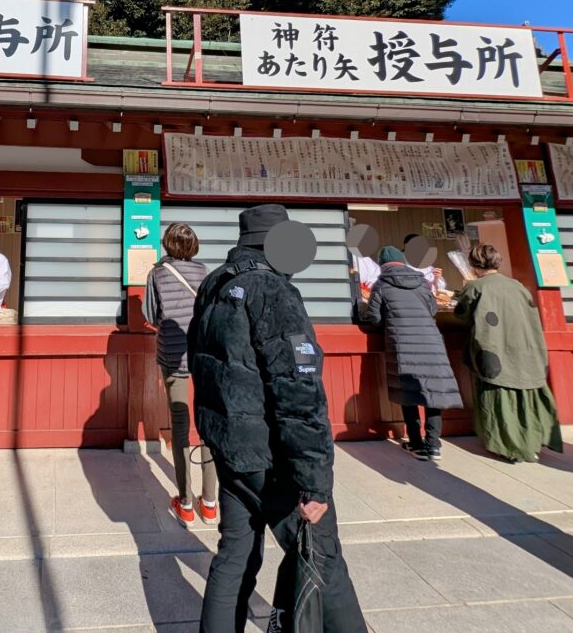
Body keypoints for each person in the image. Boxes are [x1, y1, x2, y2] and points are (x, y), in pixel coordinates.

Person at [190, 203, 367, 633]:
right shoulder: (272, 290)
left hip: (229, 445)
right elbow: (297, 390)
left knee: (235, 555)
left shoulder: (215, 284)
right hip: (273, 456)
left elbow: (202, 362)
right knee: (320, 554)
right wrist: (314, 479)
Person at [454, 243, 562, 463]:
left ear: (474, 264)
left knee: (500, 400)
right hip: (525, 349)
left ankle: (510, 447)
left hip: (495, 349)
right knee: (526, 397)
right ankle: (533, 442)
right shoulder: (518, 286)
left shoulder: (476, 287)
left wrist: (463, 289)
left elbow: (461, 314)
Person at [143, 221, 218, 527]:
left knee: (180, 425)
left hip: (173, 355)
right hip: (205, 354)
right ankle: (210, 503)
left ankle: (185, 501)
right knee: (210, 423)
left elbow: (150, 315)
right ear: (193, 245)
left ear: (166, 244)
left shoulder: (157, 273)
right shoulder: (205, 273)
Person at [360, 246, 463, 460]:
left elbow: (375, 318)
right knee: (435, 392)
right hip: (431, 341)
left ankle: (416, 443)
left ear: (382, 264)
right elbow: (433, 309)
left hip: (403, 342)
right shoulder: (422, 282)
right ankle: (434, 445)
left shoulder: (381, 284)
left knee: (409, 393)